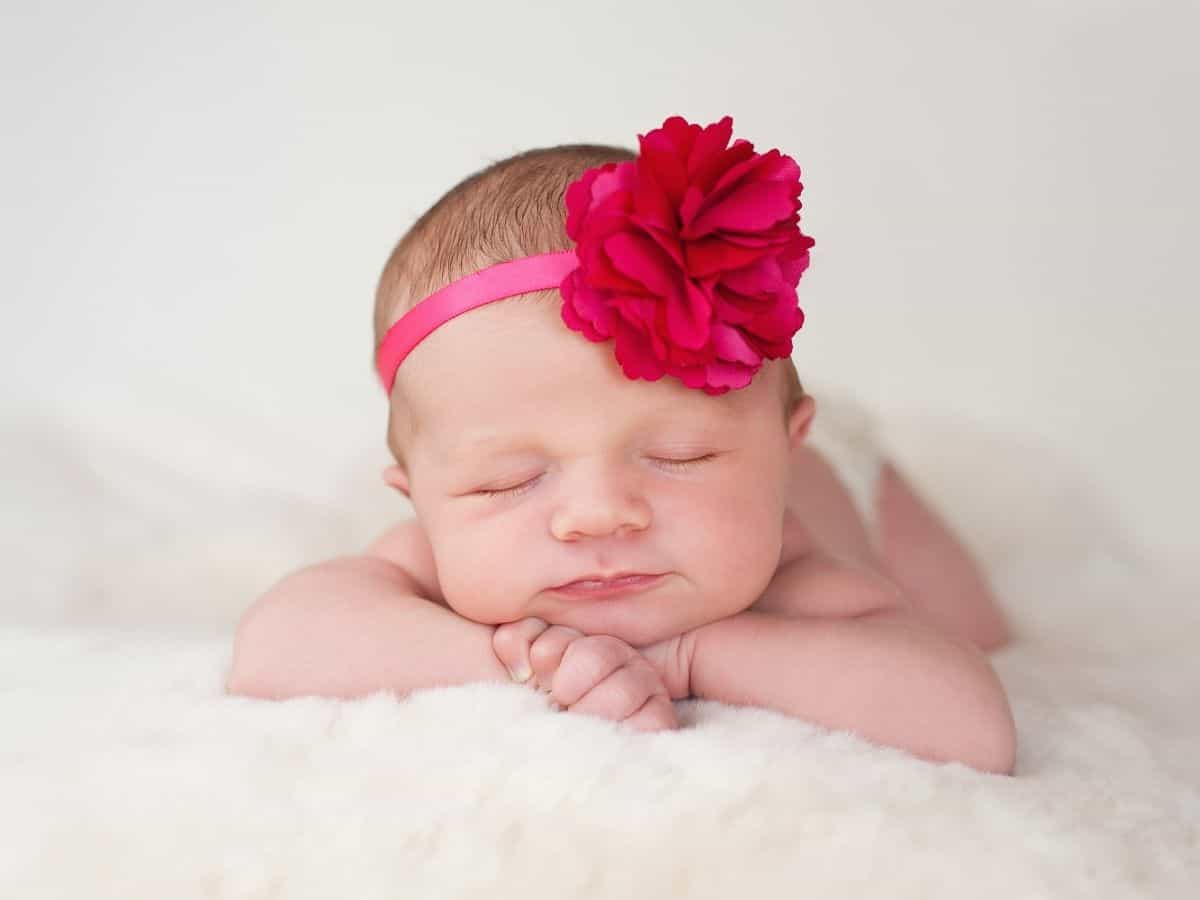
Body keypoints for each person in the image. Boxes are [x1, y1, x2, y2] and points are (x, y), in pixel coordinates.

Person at [227, 115, 1016, 774]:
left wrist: (688, 659)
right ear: (419, 498)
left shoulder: (797, 572)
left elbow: (969, 724)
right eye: (507, 480)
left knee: (975, 618)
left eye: (682, 456)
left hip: (853, 474)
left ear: (784, 450)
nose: (599, 516)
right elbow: (271, 648)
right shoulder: (435, 559)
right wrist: (530, 664)